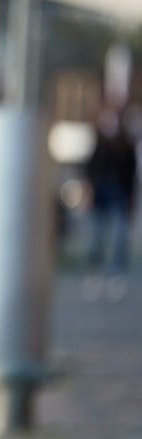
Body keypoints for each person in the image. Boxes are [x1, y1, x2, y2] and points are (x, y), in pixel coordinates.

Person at [84, 105, 137, 302]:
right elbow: (90, 168)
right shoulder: (99, 143)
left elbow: (131, 176)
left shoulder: (127, 147)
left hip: (120, 195)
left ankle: (117, 275)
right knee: (96, 235)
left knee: (119, 236)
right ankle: (94, 274)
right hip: (100, 196)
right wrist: (89, 191)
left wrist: (131, 199)